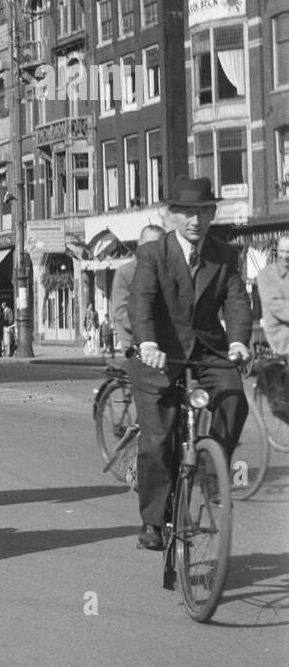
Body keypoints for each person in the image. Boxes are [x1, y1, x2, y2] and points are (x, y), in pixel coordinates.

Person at [128, 176, 251, 552]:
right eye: (186, 213)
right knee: (157, 439)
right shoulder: (154, 254)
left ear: (212, 213)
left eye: (202, 212)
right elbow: (142, 302)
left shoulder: (225, 254)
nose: (195, 221)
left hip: (206, 349)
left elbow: (236, 301)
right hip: (159, 352)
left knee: (233, 396)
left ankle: (214, 468)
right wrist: (147, 342)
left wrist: (238, 343)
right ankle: (153, 520)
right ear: (171, 216)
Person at [110, 224, 165, 359]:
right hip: (134, 341)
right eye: (148, 245)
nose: (153, 250)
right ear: (139, 244)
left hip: (164, 341)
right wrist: (149, 330)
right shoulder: (126, 272)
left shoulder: (167, 271)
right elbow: (120, 311)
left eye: (158, 246)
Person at [254, 236, 289, 358]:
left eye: (288, 252)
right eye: (282, 251)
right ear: (276, 250)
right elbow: (276, 306)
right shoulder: (266, 275)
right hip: (281, 331)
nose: (285, 256)